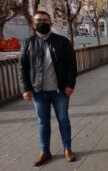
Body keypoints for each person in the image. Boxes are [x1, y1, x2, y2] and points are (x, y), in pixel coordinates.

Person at [19, 11, 77, 167]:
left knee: (63, 120)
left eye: (45, 20)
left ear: (51, 23)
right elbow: (23, 68)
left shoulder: (62, 42)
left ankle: (67, 149)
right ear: (33, 23)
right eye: (38, 20)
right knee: (43, 122)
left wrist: (70, 84)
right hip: (38, 91)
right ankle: (45, 151)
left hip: (60, 91)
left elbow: (72, 65)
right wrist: (26, 88)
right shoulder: (28, 43)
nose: (42, 23)